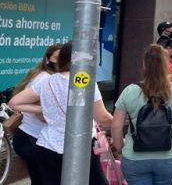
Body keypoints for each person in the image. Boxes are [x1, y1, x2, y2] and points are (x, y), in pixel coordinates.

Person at [9, 42, 113, 185]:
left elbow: (14, 102)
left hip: (46, 146)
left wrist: (44, 109)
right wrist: (119, 125)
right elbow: (102, 117)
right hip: (79, 147)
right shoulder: (85, 80)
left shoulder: (48, 81)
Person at [112, 44, 172, 184]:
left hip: (134, 157)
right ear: (166, 64)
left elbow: (116, 126)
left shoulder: (130, 91)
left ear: (144, 64)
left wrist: (120, 148)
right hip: (168, 156)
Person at [11, 44, 61, 185]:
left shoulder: (42, 75)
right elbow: (42, 116)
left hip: (27, 136)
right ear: (47, 60)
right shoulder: (46, 80)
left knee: (39, 180)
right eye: (57, 58)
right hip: (33, 139)